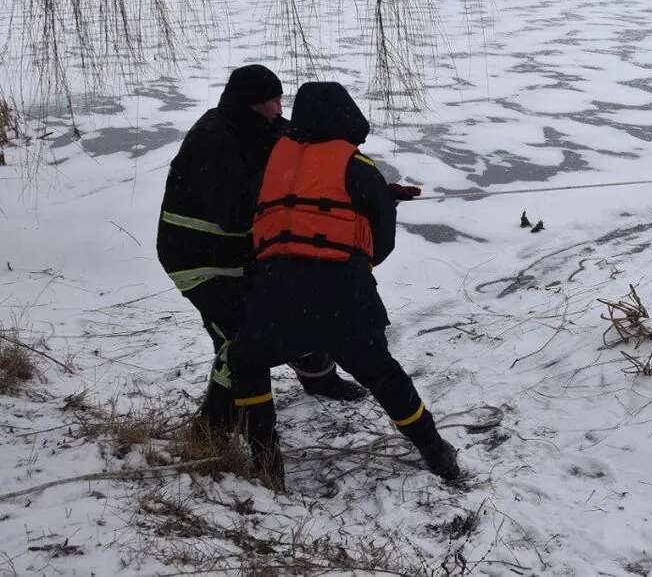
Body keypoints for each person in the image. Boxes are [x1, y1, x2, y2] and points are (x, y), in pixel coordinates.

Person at [227, 81, 459, 490]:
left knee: (247, 362)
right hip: (342, 298)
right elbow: (381, 243)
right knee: (383, 375)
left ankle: (267, 465)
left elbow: (282, 212)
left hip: (274, 294)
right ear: (348, 117)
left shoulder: (272, 166)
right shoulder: (359, 167)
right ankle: (436, 451)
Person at [157, 65, 367, 439]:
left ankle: (319, 379)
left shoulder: (273, 130)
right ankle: (213, 427)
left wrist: (371, 194)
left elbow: (315, 171)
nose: (278, 108)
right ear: (247, 104)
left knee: (301, 302)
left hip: (247, 253)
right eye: (269, 102)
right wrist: (280, 178)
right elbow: (234, 215)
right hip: (197, 258)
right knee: (241, 339)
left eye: (279, 98)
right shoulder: (213, 138)